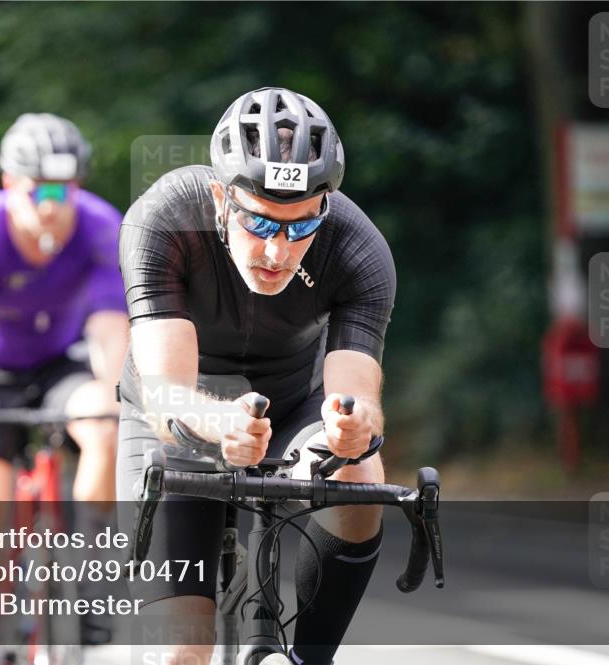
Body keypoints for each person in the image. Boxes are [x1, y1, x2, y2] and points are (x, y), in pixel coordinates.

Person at [116, 87, 395, 664]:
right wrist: (223, 423)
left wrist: (352, 428)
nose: (278, 251)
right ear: (222, 197)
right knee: (179, 654)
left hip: (292, 405)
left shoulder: (358, 246)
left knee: (361, 471)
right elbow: (166, 396)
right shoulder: (164, 218)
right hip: (180, 418)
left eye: (301, 227)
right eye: (261, 223)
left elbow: (357, 397)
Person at [0, 113, 129, 662]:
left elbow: (112, 338)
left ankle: (90, 580)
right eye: (38, 190)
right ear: (8, 184)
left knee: (108, 423)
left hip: (59, 366)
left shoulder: (101, 226)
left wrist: (124, 407)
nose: (52, 206)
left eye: (64, 190)